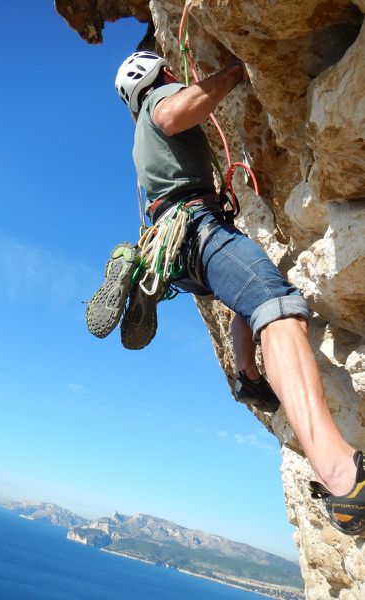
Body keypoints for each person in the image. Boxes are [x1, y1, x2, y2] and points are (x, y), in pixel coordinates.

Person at [87, 51, 365, 535]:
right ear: (157, 77)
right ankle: (343, 476)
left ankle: (247, 375)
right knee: (277, 309)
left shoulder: (138, 143)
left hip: (180, 247)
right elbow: (176, 112)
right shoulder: (160, 99)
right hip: (199, 227)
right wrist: (237, 70)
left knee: (249, 291)